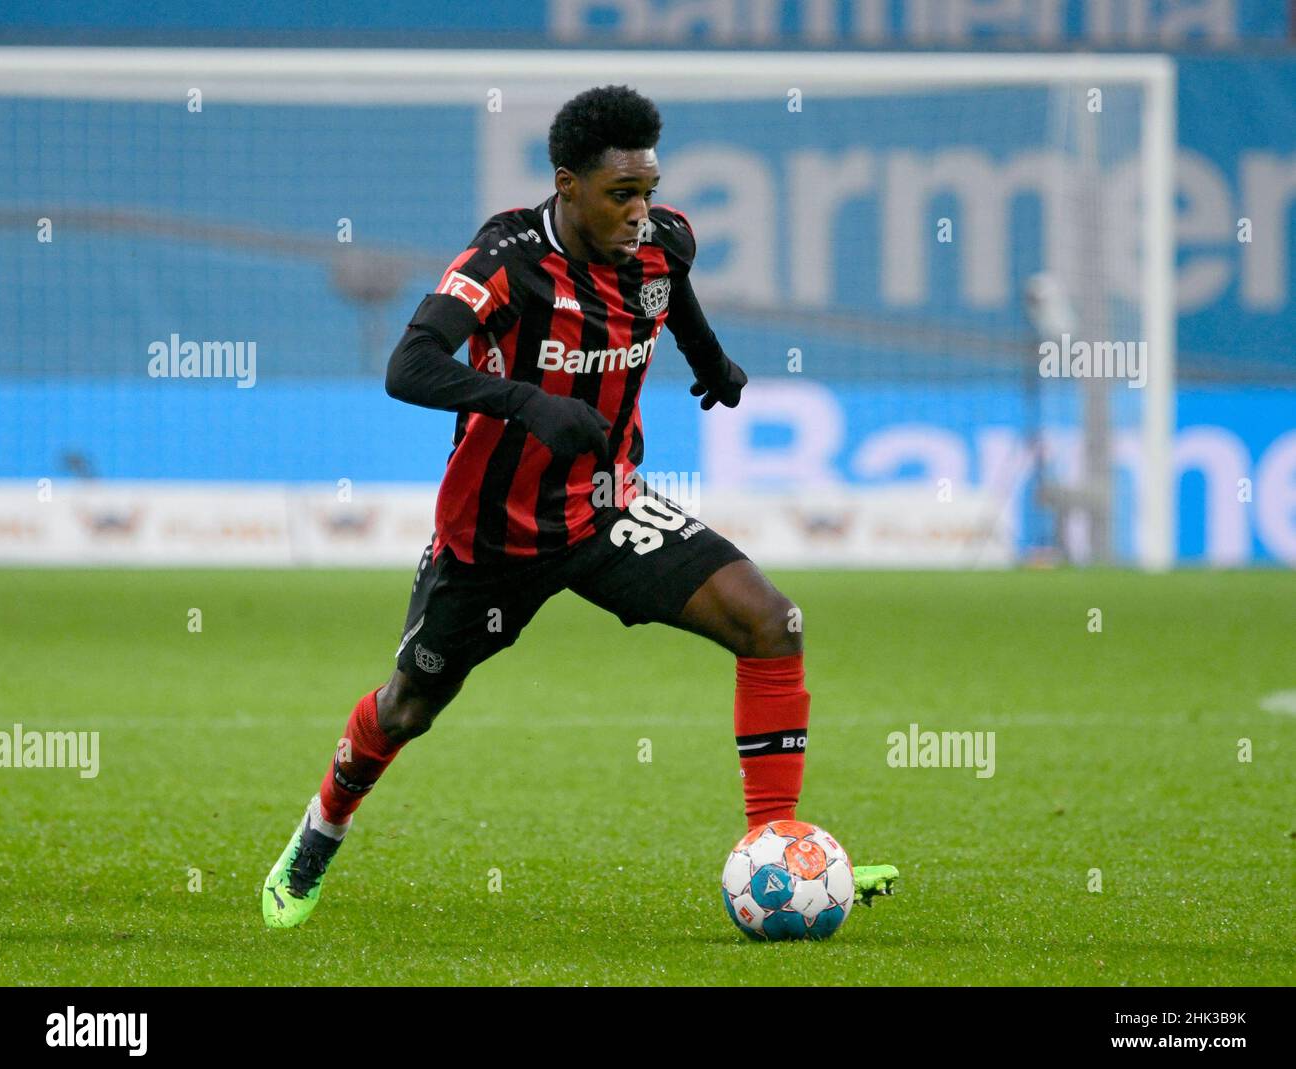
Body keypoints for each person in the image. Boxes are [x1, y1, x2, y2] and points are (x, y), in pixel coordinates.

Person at [262, 84, 896, 929]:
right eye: (620, 194)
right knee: (407, 706)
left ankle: (776, 850)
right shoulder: (505, 258)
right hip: (493, 536)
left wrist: (713, 363)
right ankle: (319, 834)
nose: (641, 212)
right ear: (567, 185)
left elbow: (670, 300)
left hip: (605, 511)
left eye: (649, 191)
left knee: (771, 623)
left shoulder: (663, 242)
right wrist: (525, 403)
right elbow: (407, 366)